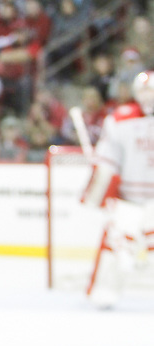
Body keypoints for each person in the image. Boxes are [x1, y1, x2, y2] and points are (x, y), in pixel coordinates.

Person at [81, 71, 154, 307]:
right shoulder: (120, 120)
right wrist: (94, 194)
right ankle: (104, 292)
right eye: (144, 91)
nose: (148, 96)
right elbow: (106, 162)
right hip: (129, 199)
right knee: (115, 249)